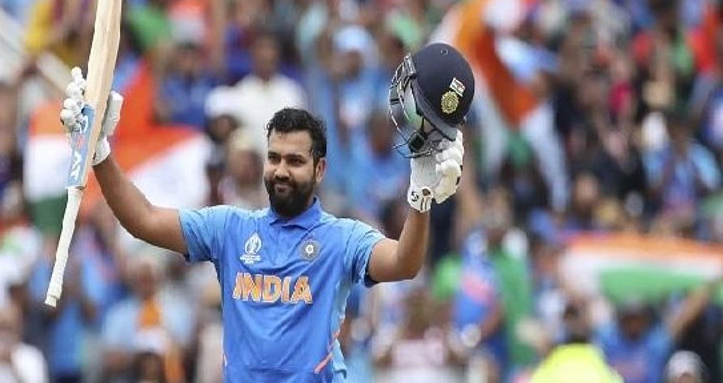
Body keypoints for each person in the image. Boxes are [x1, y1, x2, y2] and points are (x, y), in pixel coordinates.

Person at [59, 42, 473, 382]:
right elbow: (143, 219)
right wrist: (99, 153)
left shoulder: (342, 238)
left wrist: (420, 197)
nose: (280, 170)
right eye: (274, 158)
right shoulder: (231, 228)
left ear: (320, 169)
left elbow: (404, 263)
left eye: (294, 161)